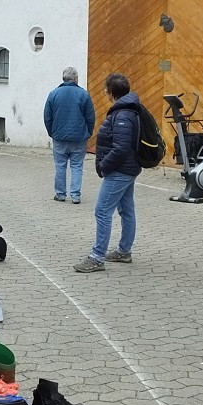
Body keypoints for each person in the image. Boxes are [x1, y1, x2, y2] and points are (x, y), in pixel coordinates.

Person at [74, 73, 141, 273]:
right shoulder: (130, 109)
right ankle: (124, 251)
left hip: (120, 171)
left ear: (112, 93)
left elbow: (120, 148)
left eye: (106, 90)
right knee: (126, 210)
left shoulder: (122, 115)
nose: (105, 93)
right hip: (129, 168)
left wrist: (104, 165)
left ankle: (97, 257)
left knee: (102, 210)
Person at [44, 67, 96, 204]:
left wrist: (52, 132)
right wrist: (88, 132)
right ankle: (75, 195)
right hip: (79, 137)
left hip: (59, 137)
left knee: (60, 166)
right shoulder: (84, 95)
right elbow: (90, 117)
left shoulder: (53, 94)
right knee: (77, 166)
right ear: (75, 79)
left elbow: (47, 117)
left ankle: (60, 194)